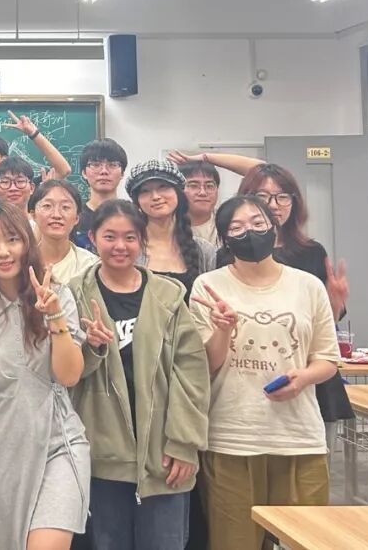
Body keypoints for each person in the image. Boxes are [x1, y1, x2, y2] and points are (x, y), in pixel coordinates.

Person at [189, 196, 339, 550]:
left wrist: (304, 378)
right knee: (234, 542)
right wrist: (223, 329)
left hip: (299, 436)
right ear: (225, 239)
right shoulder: (208, 286)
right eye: (237, 228)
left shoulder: (308, 285)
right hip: (232, 438)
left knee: (309, 540)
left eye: (258, 224)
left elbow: (327, 359)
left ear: (274, 228)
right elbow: (206, 366)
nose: (250, 233)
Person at [70, 200, 210, 550]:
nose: (120, 246)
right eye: (110, 236)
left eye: (130, 237)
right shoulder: (73, 294)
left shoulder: (169, 295)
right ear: (92, 238)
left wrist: (184, 444)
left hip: (164, 455)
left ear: (142, 240)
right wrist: (91, 348)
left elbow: (191, 374)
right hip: (101, 456)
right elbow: (65, 374)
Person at [0, 203, 89, 550]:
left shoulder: (58, 295)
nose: (3, 252)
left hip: (59, 442)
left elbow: (70, 375)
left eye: (12, 239)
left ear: (28, 241)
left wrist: (54, 316)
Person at [234, 163, 353, 447]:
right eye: (263, 196)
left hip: (311, 379)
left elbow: (324, 331)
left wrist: (334, 303)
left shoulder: (311, 252)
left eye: (283, 196)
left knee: (313, 467)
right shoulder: (232, 253)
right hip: (247, 379)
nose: (274, 205)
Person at [125, 159, 216, 300]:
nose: (156, 196)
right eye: (145, 191)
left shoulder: (204, 251)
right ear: (137, 201)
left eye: (163, 187)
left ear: (178, 193)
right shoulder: (127, 248)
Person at [31, 180, 98, 286]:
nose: (56, 215)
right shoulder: (21, 263)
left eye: (65, 207)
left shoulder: (91, 266)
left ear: (77, 218)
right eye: (47, 206)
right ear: (33, 215)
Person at [75, 139, 129, 247]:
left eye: (112, 165)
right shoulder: (74, 217)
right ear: (84, 173)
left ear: (122, 173)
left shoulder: (132, 215)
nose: (104, 171)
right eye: (95, 165)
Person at [1, 110, 74, 178]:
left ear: (3, 158)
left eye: (20, 181)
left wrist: (34, 134)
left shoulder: (33, 183)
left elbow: (64, 170)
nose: (13, 186)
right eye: (4, 182)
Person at [176, 160, 222, 246]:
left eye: (209, 186)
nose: (202, 192)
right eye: (193, 186)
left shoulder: (228, 222)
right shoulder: (167, 225)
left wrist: (207, 157)